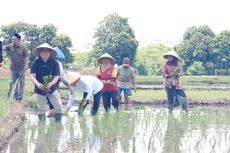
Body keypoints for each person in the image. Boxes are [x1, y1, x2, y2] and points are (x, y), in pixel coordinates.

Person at [30, 43, 63, 121]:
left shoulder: (55, 63)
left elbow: (56, 76)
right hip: (39, 88)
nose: (44, 53)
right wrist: (38, 84)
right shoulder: (36, 63)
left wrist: (51, 83)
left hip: (52, 88)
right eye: (43, 51)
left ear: (50, 53)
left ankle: (58, 126)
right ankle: (42, 128)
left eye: (46, 52)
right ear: (40, 53)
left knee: (59, 106)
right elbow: (32, 76)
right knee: (41, 108)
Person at [2, 33, 29, 102]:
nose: (12, 40)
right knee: (14, 83)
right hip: (13, 68)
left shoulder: (23, 47)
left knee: (21, 83)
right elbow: (3, 48)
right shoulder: (10, 46)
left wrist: (26, 65)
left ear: (18, 40)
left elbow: (26, 57)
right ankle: (15, 97)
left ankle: (20, 97)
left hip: (21, 69)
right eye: (12, 39)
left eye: (14, 39)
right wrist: (3, 54)